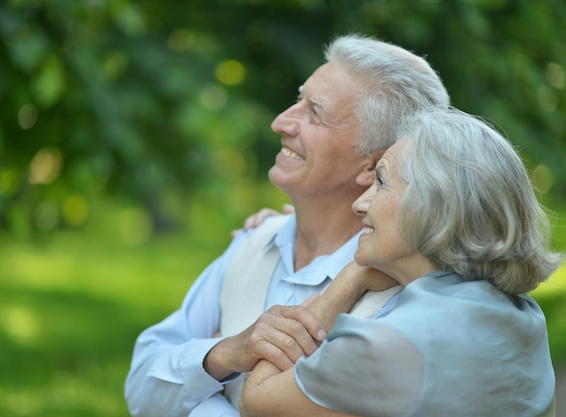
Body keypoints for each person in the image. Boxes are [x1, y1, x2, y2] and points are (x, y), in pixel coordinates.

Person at [125, 33, 450, 417]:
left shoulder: (405, 292)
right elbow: (141, 387)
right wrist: (225, 353)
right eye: (299, 99)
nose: (281, 122)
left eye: (315, 112)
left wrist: (202, 405)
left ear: (372, 165)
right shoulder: (253, 242)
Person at [240, 106, 562, 417]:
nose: (359, 203)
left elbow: (255, 401)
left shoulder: (394, 344)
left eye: (380, 182)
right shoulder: (525, 318)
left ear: (432, 205)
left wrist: (353, 277)